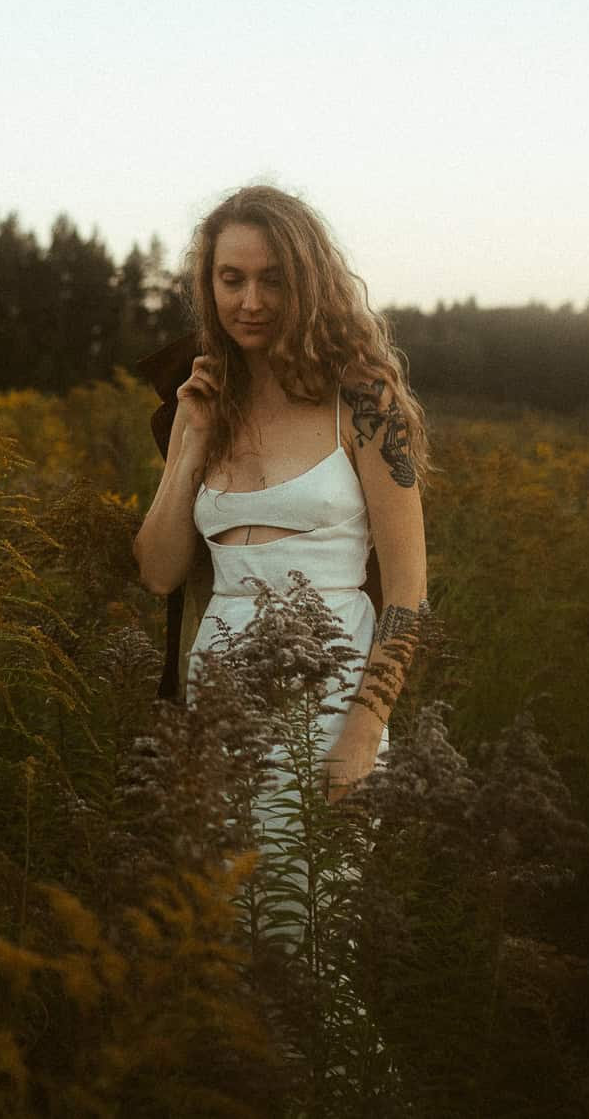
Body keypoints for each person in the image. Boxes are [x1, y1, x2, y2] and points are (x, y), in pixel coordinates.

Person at [133, 185, 429, 803]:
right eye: (231, 279)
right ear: (208, 285)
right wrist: (192, 445)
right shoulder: (202, 398)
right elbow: (159, 573)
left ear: (308, 282)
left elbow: (407, 595)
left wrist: (362, 738)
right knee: (217, 898)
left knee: (311, 899)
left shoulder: (364, 401)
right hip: (215, 697)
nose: (250, 302)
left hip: (329, 697)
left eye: (273, 280)